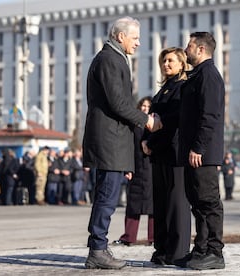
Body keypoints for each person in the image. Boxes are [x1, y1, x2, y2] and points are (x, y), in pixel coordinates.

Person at [82, 16, 162, 269]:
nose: (138, 43)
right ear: (120, 36)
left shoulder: (115, 59)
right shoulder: (109, 59)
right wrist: (146, 121)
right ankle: (97, 250)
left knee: (108, 196)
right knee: (106, 197)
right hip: (110, 141)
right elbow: (118, 103)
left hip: (115, 142)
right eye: (135, 37)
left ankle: (99, 247)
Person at [178, 32, 226, 270]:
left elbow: (211, 116)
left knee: (208, 203)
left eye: (189, 46)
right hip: (193, 152)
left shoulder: (209, 75)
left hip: (202, 154)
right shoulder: (197, 76)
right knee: (197, 203)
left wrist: (199, 147)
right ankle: (201, 250)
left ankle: (215, 253)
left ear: (200, 49)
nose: (185, 50)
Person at [141, 47, 191, 266]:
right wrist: (145, 141)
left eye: (171, 60)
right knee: (160, 204)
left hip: (174, 152)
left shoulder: (183, 88)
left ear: (181, 63)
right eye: (164, 61)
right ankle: (161, 249)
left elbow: (170, 122)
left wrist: (151, 141)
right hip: (159, 153)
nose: (166, 64)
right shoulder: (162, 91)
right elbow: (151, 119)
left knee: (176, 203)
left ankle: (178, 252)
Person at [114, 96, 154, 247]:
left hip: (152, 168)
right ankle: (128, 237)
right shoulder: (133, 125)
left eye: (148, 106)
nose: (145, 108)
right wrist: (127, 167)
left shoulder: (156, 124)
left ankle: (154, 237)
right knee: (133, 204)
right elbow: (127, 147)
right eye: (143, 106)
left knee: (154, 205)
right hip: (135, 168)